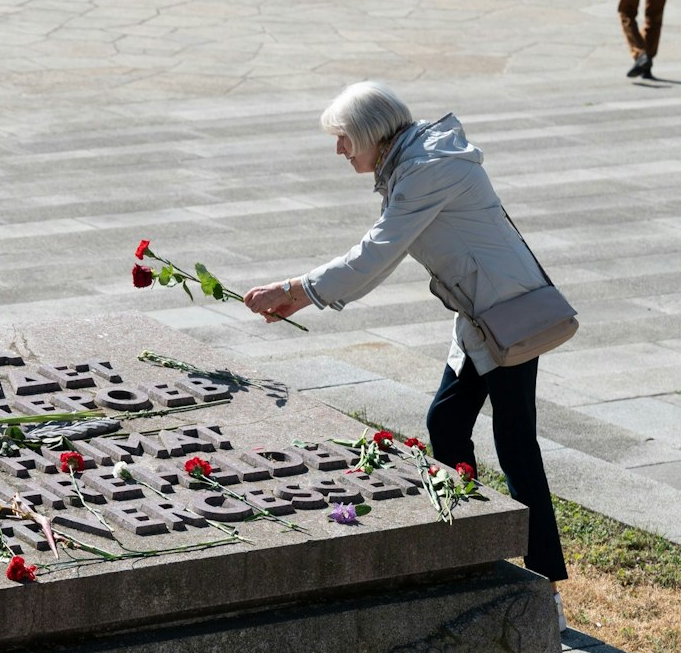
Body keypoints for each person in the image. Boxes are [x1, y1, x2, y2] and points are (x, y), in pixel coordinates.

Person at [241, 82, 570, 603]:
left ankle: (543, 588)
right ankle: (472, 549)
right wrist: (300, 296)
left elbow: (376, 253)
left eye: (344, 137)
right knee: (446, 423)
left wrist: (293, 290)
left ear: (371, 132)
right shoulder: (413, 163)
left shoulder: (424, 170)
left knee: (515, 446)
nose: (338, 149)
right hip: (481, 319)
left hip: (509, 320)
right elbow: (380, 255)